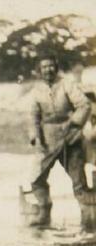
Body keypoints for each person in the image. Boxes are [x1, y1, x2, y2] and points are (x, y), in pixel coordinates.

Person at [27, 53, 92, 228]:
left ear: (56, 67)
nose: (47, 70)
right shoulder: (36, 91)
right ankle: (44, 212)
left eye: (50, 66)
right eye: (44, 67)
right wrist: (36, 138)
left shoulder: (66, 84)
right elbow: (33, 117)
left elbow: (84, 104)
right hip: (47, 140)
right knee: (36, 179)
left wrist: (73, 124)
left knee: (79, 181)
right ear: (39, 70)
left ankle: (88, 217)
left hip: (70, 138)